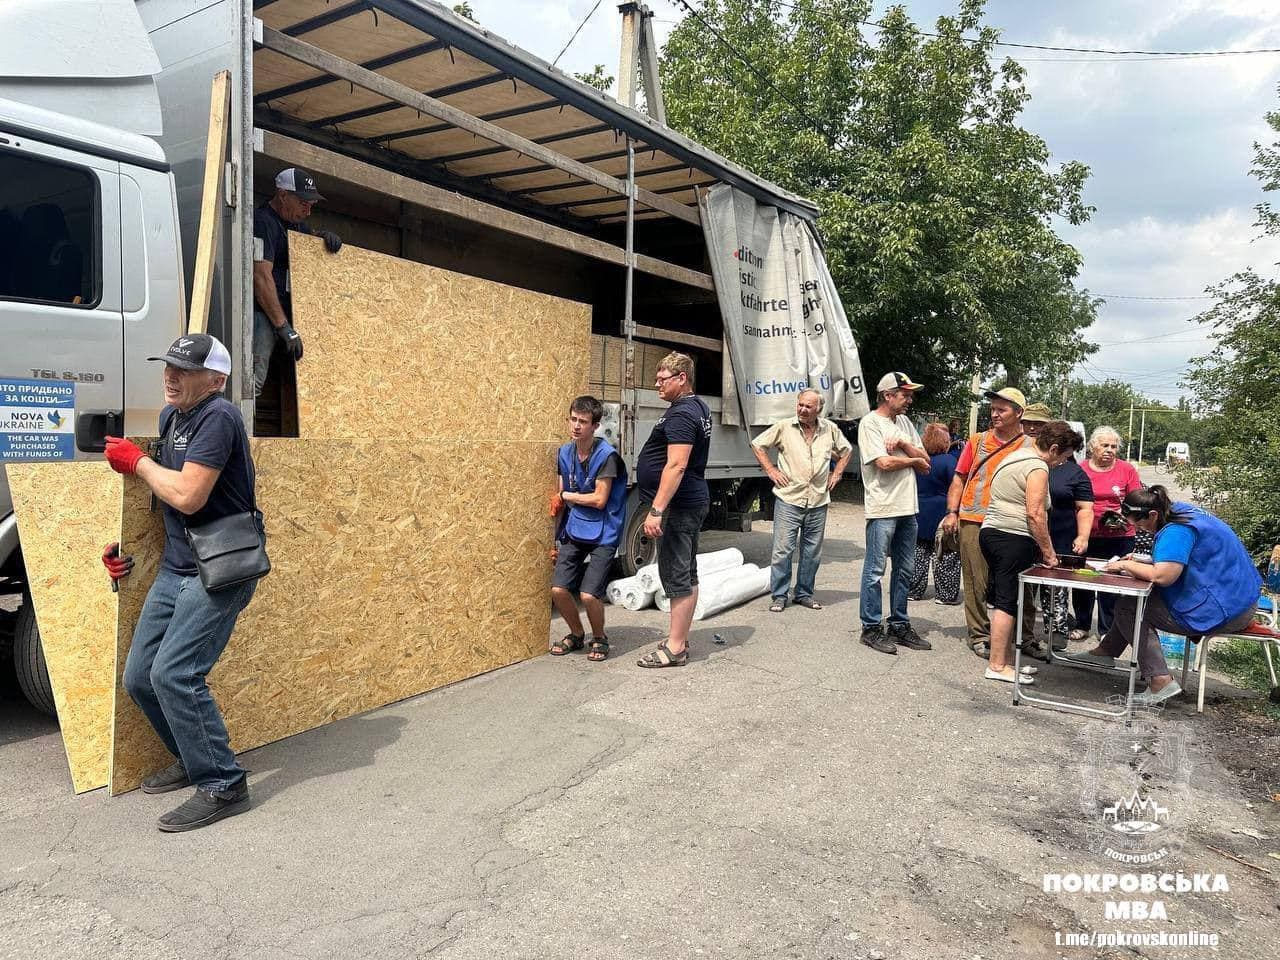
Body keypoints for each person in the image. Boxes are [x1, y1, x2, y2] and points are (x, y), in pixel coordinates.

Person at [100, 335, 264, 832]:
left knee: (174, 674)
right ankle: (196, 759)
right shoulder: (173, 418)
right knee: (139, 676)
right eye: (168, 366)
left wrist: (138, 461)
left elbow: (189, 496)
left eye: (184, 370)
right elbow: (161, 502)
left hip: (220, 569)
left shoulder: (218, 417)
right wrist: (123, 547)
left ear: (216, 381)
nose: (170, 376)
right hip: (176, 566)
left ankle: (222, 782)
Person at [1084, 486, 1262, 705]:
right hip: (1238, 597)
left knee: (1130, 606)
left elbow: (1163, 576)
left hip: (1226, 610)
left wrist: (1123, 565)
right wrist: (1143, 560)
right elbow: (1186, 556)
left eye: (1140, 524)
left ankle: (1161, 681)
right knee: (1132, 601)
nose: (1141, 530)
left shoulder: (1177, 530)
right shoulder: (1180, 511)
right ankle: (1106, 651)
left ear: (1153, 514)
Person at [978, 421, 1084, 685]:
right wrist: (1049, 553)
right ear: (1055, 448)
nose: (1062, 463)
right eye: (1064, 457)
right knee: (1006, 602)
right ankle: (997, 665)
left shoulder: (1015, 456)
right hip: (1011, 536)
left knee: (1011, 600)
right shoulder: (1038, 467)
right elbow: (1035, 513)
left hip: (992, 531)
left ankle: (1007, 661)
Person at [940, 388, 1034, 658]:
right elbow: (959, 478)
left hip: (1014, 522)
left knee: (1020, 582)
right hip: (974, 518)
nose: (994, 414)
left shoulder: (1029, 446)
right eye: (992, 409)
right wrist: (952, 512)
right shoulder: (977, 441)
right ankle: (979, 635)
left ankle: (1023, 637)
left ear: (1019, 413)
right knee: (975, 581)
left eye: (1002, 409)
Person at [635, 352, 712, 668]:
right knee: (686, 572)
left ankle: (676, 648)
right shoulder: (696, 407)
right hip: (688, 502)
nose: (657, 385)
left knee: (676, 574)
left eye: (662, 378)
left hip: (678, 507)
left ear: (682, 378)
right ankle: (678, 637)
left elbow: (677, 464)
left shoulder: (681, 414)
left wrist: (656, 510)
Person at [751, 389, 853, 612]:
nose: (803, 410)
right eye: (800, 405)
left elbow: (847, 451)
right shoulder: (785, 427)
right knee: (782, 550)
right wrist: (770, 469)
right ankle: (779, 595)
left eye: (808, 406)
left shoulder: (830, 429)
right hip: (789, 497)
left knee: (812, 552)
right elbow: (757, 444)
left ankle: (804, 593)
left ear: (819, 409)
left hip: (817, 500)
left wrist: (837, 474)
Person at [856, 372, 931, 655]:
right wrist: (911, 458)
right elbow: (884, 464)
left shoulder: (904, 423)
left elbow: (926, 461)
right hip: (884, 507)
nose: (909, 400)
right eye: (905, 394)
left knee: (905, 570)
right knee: (875, 570)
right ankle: (871, 628)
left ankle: (899, 624)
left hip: (907, 508)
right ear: (888, 395)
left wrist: (902, 444)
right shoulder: (870, 423)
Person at [549, 396, 627, 662]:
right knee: (558, 589)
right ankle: (576, 634)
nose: (576, 426)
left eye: (583, 422)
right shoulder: (564, 452)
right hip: (575, 528)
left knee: (588, 594)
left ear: (595, 426)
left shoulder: (607, 456)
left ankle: (600, 637)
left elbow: (599, 499)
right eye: (573, 419)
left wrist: (568, 496)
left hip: (604, 530)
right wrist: (555, 541)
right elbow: (559, 500)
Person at [252, 167, 343, 398]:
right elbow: (261, 277)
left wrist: (321, 238)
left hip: (290, 314)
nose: (308, 210)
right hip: (265, 313)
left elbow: (304, 242)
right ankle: (240, 432)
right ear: (283, 195)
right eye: (303, 203)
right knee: (253, 381)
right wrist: (284, 328)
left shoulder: (296, 224)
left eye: (311, 205)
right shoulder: (263, 222)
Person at [1071, 426, 1143, 642]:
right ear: (1093, 447)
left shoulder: (1126, 470)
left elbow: (1136, 499)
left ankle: (1107, 630)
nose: (1110, 450)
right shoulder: (1081, 469)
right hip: (1087, 534)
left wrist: (1121, 514)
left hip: (1120, 536)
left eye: (1113, 446)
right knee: (1083, 580)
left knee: (1111, 583)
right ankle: (1082, 623)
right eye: (1105, 445)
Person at [1043, 427, 1093, 647]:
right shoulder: (1034, 464)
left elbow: (1085, 508)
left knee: (1056, 587)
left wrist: (1083, 536)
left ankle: (1057, 631)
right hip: (1027, 534)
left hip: (1062, 536)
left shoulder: (1075, 473)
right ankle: (1021, 633)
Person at [909, 422, 960, 605]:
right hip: (942, 512)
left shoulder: (918, 461)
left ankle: (913, 590)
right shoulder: (949, 461)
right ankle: (945, 594)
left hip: (919, 510)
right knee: (946, 555)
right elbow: (956, 486)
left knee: (918, 553)